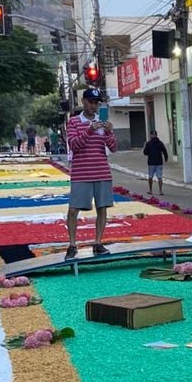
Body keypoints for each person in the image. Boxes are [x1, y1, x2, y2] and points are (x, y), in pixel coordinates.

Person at [64, 87, 117, 260]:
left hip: (101, 171)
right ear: (83, 101)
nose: (93, 106)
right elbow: (74, 145)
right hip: (81, 173)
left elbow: (114, 148)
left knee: (102, 208)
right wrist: (89, 130)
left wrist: (108, 131)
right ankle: (72, 244)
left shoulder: (103, 122)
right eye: (90, 102)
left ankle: (98, 243)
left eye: (96, 103)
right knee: (73, 210)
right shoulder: (73, 122)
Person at [143, 130, 168, 195]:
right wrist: (166, 159)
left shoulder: (148, 143)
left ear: (150, 135)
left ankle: (150, 190)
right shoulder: (160, 143)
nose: (153, 136)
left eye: (153, 135)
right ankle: (160, 191)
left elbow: (145, 153)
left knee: (151, 177)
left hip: (151, 163)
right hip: (159, 162)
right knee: (159, 177)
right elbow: (164, 151)